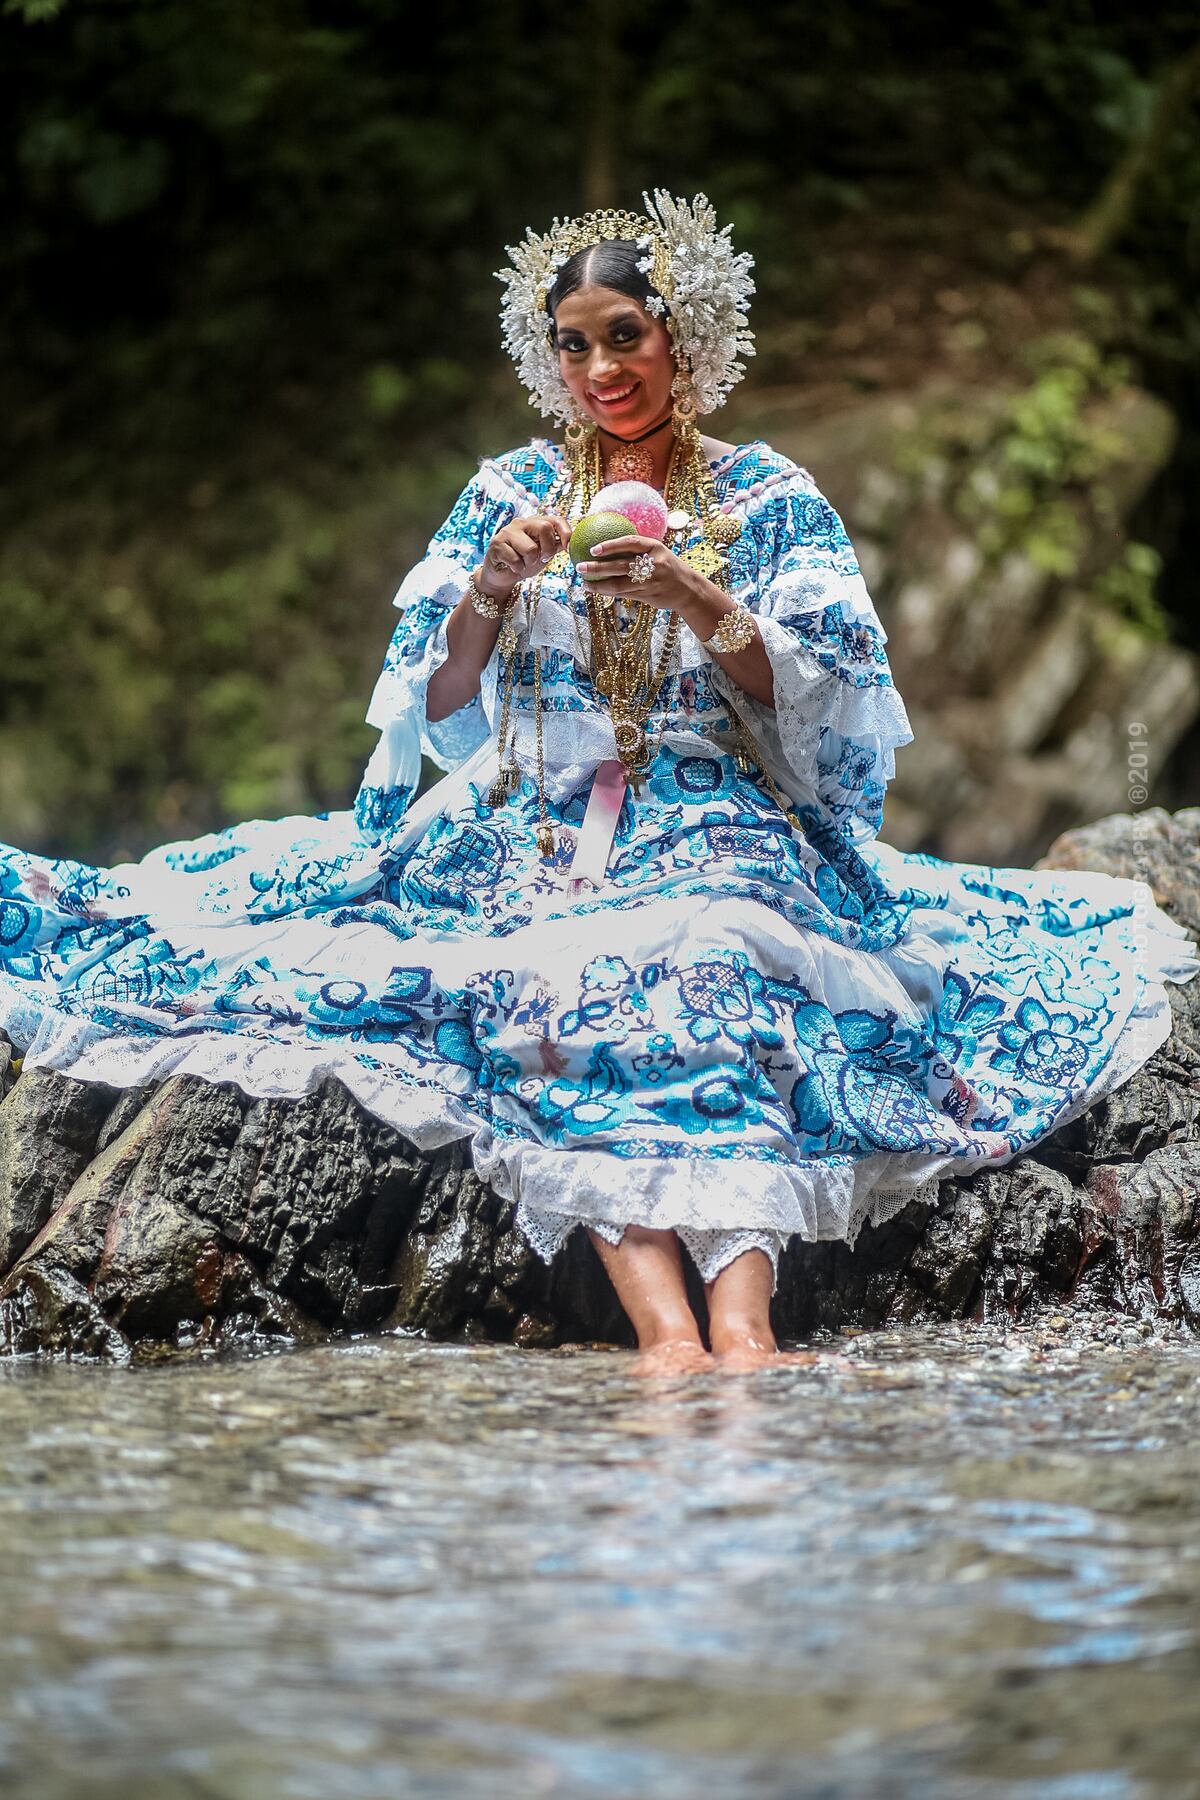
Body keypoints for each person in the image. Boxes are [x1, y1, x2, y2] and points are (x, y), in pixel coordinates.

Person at [0, 192, 1195, 1375]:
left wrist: (690, 591)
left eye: (624, 333)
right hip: (527, 816)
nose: (601, 367)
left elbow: (833, 702)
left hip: (719, 810)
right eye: (574, 343)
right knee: (549, 978)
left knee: (715, 956)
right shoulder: (508, 493)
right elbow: (436, 698)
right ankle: (669, 1338)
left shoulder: (768, 498)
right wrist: (491, 588)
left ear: (686, 336)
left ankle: (744, 1326)